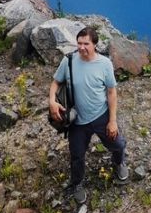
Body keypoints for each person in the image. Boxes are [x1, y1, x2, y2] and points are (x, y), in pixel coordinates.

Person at [49, 26, 128, 203]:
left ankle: (118, 162)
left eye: (86, 44)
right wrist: (52, 101)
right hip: (76, 120)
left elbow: (111, 92)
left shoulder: (105, 64)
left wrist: (112, 120)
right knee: (77, 155)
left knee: (117, 144)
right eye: (79, 43)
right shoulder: (68, 61)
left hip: (101, 115)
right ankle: (77, 184)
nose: (82, 47)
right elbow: (55, 82)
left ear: (95, 44)